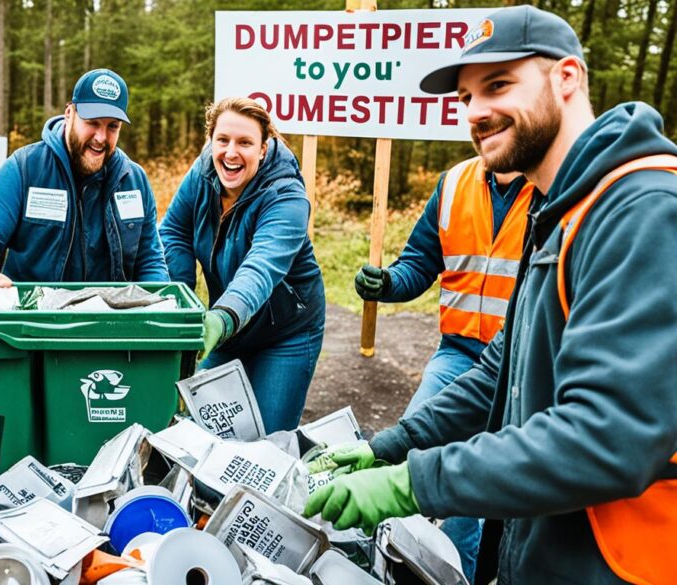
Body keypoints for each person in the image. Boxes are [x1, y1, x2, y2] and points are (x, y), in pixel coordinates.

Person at [304, 6, 677, 583]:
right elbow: (503, 366)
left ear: (568, 78)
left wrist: (415, 482)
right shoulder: (562, 206)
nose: (476, 112)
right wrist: (394, 446)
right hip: (550, 549)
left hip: (619, 562)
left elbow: (610, 435)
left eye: (498, 85)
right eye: (465, 98)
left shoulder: (641, 210)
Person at [351, 160, 533, 581]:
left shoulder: (552, 186)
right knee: (407, 448)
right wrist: (390, 282)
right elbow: (420, 261)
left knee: (467, 508)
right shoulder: (454, 183)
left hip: (522, 363)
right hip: (458, 351)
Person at [158, 97, 326, 433]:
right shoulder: (202, 173)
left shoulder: (287, 197)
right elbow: (175, 230)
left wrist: (221, 318)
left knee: (265, 441)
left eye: (245, 143)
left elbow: (260, 268)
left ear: (264, 149)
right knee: (203, 428)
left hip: (285, 334)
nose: (231, 153)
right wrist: (180, 300)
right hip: (230, 330)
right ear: (210, 141)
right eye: (223, 140)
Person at [0, 69, 169, 285]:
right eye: (93, 122)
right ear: (69, 114)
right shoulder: (24, 168)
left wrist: (160, 300)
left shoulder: (134, 181)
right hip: (34, 315)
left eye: (112, 126)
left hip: (109, 315)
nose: (101, 137)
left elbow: (150, 260)